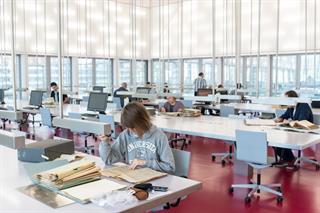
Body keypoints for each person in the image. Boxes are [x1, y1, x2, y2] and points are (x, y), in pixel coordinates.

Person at [99, 102, 175, 173]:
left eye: (133, 127)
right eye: (128, 127)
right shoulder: (126, 135)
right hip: (134, 177)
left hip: (153, 180)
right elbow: (109, 160)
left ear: (142, 122)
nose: (131, 130)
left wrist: (145, 163)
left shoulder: (159, 136)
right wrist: (105, 142)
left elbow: (170, 167)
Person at [274, 90, 314, 167]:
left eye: (287, 100)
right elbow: (285, 115)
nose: (285, 102)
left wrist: (288, 122)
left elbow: (302, 121)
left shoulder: (303, 105)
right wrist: (280, 118)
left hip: (305, 131)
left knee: (282, 138)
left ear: (293, 99)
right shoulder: (291, 107)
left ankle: (289, 159)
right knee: (276, 137)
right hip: (295, 130)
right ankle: (288, 158)